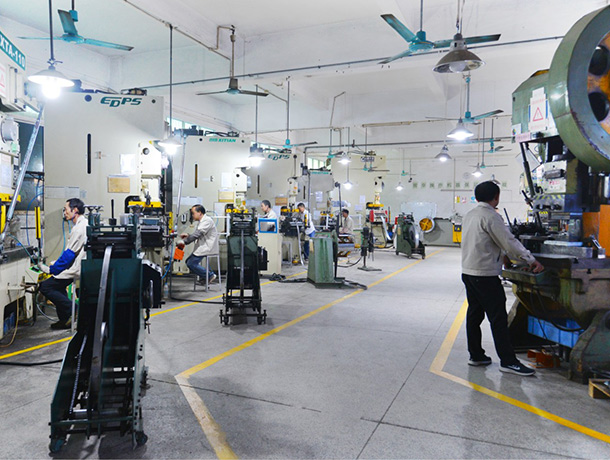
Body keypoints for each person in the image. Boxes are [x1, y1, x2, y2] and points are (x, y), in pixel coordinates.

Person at [462, 181, 544, 376]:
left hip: (469, 272)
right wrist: (531, 259)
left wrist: (504, 258)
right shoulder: (492, 216)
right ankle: (508, 361)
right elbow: (509, 241)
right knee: (498, 319)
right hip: (485, 275)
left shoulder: (470, 215)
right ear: (496, 197)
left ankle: (476, 355)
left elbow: (486, 241)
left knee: (474, 315)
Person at [38, 198, 87, 330]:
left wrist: (51, 269)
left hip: (75, 268)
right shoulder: (83, 224)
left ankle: (73, 309)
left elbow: (68, 255)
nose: (64, 213)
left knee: (45, 287)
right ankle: (65, 320)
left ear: (75, 210)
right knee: (58, 287)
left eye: (66, 209)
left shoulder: (79, 229)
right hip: (76, 265)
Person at [179, 204, 219, 284]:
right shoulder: (202, 221)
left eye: (193, 213)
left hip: (207, 247)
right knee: (188, 261)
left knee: (191, 263)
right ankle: (205, 276)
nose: (192, 215)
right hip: (202, 246)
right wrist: (188, 235)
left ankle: (209, 275)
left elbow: (197, 234)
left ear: (200, 213)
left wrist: (185, 241)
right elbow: (199, 234)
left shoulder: (207, 221)